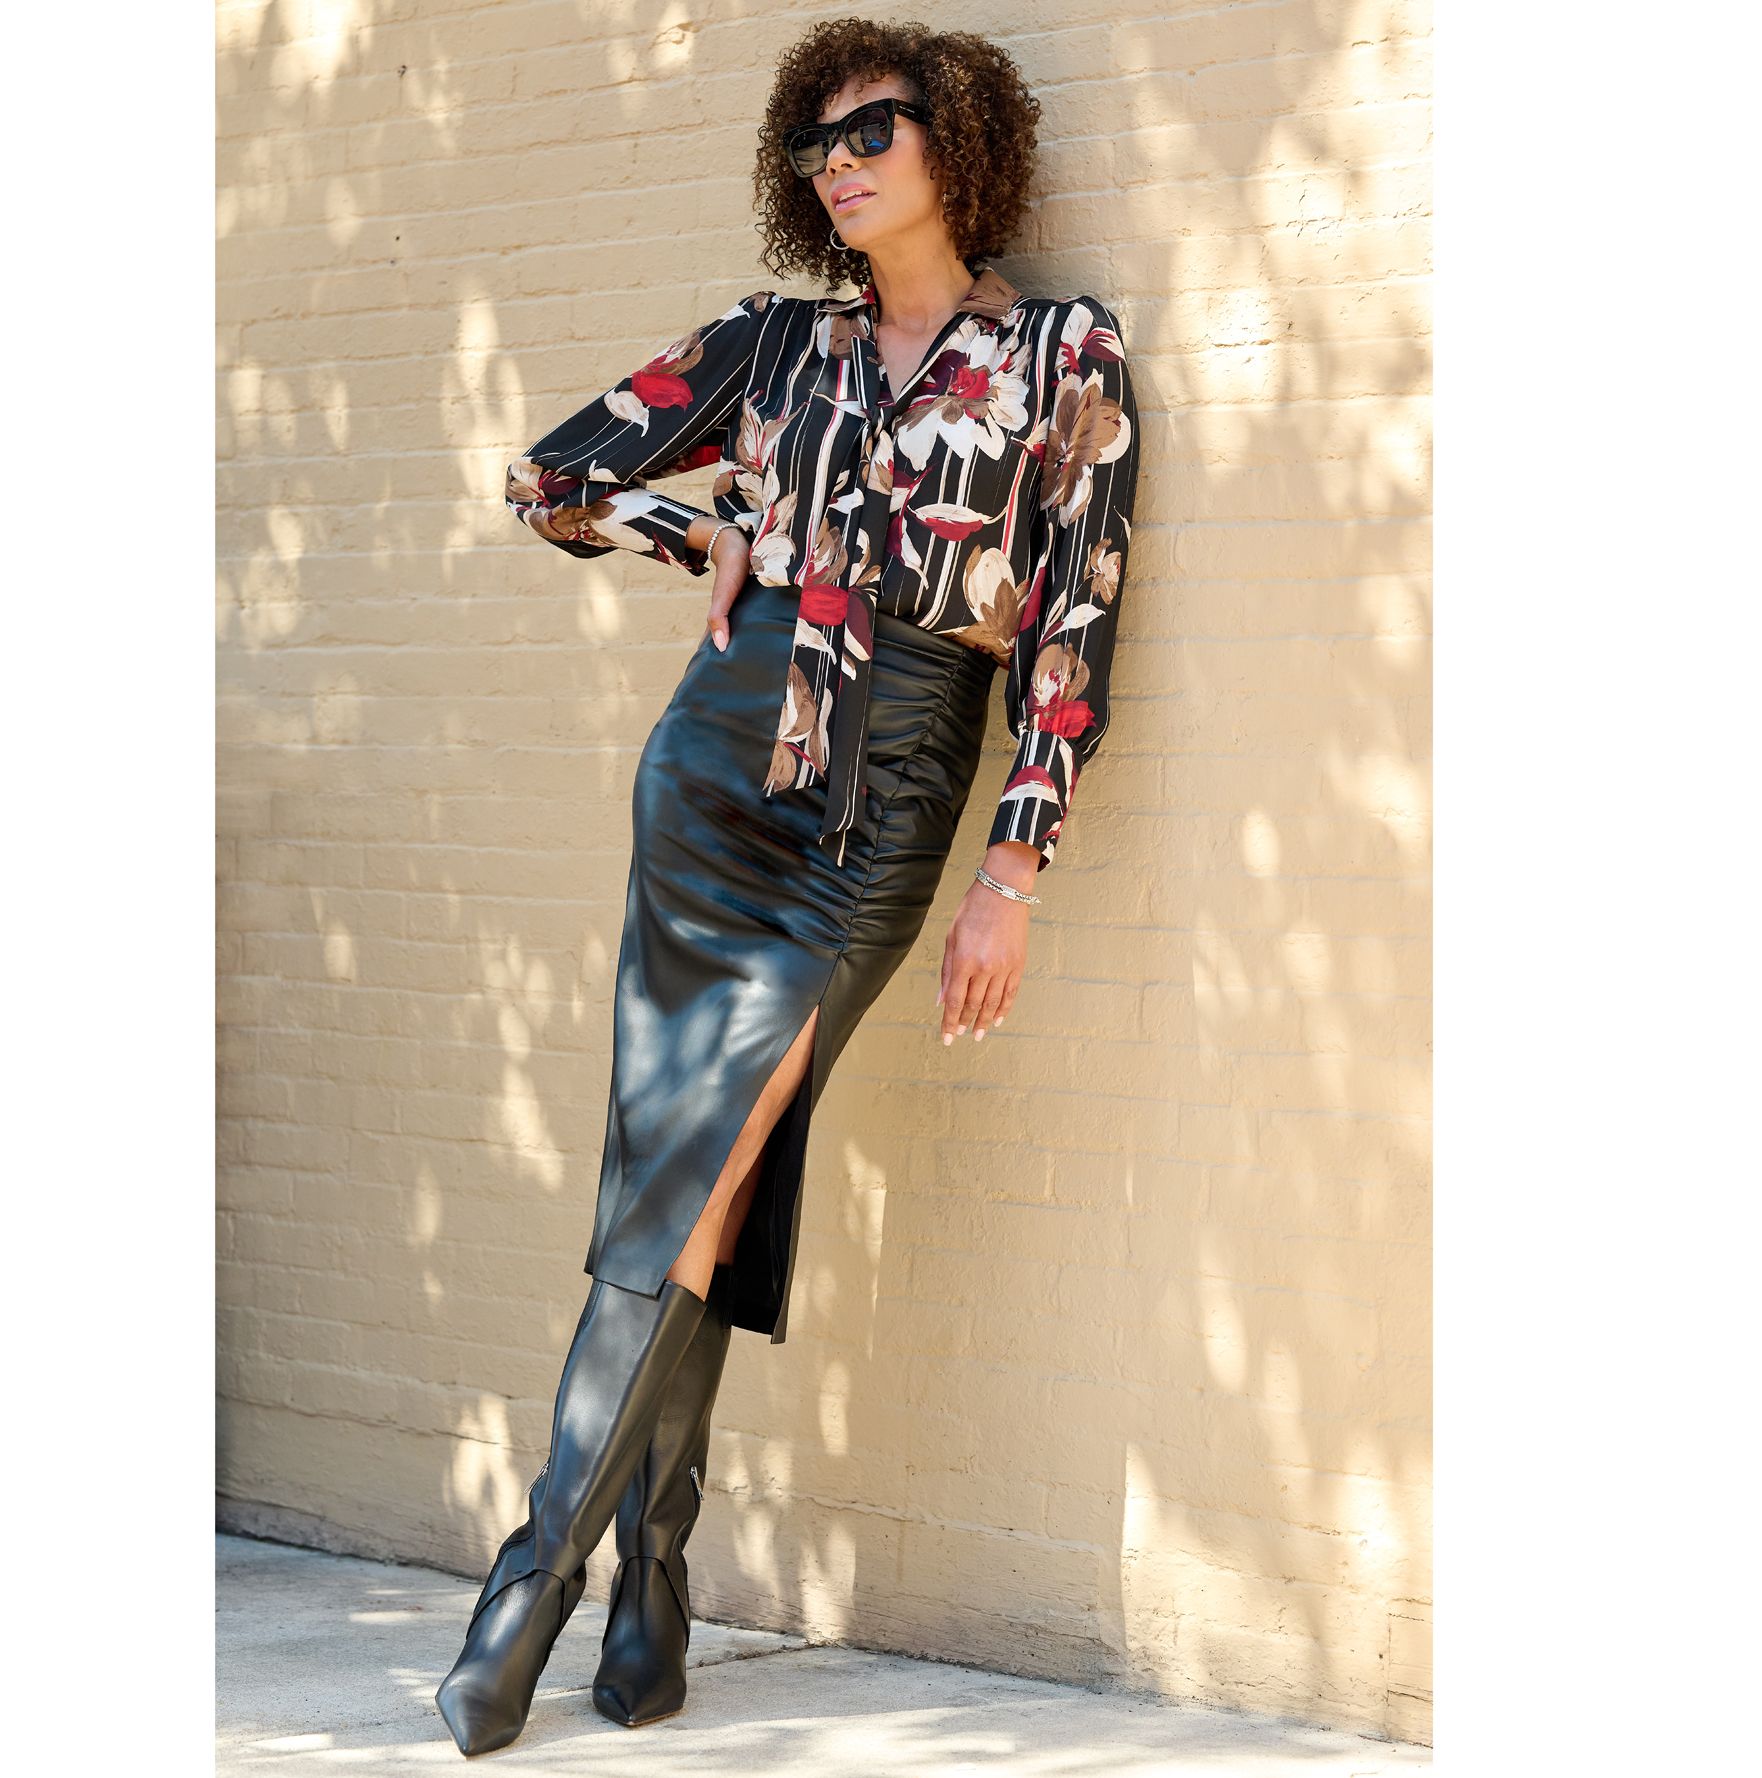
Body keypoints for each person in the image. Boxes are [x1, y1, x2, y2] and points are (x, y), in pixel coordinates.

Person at [436, 18, 1141, 1758]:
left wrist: (1013, 868)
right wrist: (713, 534)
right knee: (685, 1178)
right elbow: (549, 478)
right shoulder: (773, 342)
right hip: (714, 770)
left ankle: (542, 1582)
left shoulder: (1062, 353)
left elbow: (1072, 626)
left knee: (707, 1163)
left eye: (872, 130)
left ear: (955, 140)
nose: (840, 163)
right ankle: (633, 1585)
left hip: (888, 789)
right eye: (816, 143)